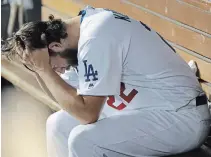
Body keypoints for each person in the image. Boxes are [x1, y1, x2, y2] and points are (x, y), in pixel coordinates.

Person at [2, 5, 210, 157]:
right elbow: (65, 103)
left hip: (181, 117)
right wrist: (40, 69)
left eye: (52, 65)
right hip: (150, 111)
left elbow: (87, 114)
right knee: (58, 124)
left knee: (84, 140)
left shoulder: (96, 37)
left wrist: (44, 70)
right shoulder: (78, 36)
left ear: (55, 45)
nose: (57, 71)